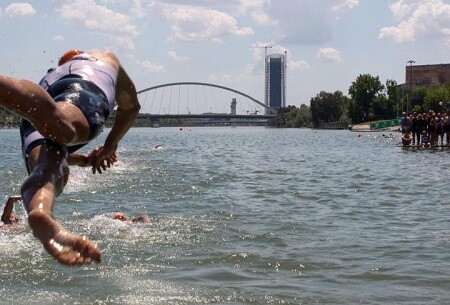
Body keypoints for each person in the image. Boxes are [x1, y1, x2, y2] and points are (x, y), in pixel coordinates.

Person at [0, 49, 140, 266]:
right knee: (61, 131)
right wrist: (109, 146)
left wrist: (83, 159)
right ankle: (40, 212)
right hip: (80, 92)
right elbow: (131, 108)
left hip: (35, 115)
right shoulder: (104, 58)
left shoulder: (52, 75)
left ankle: (41, 213)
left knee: (49, 171)